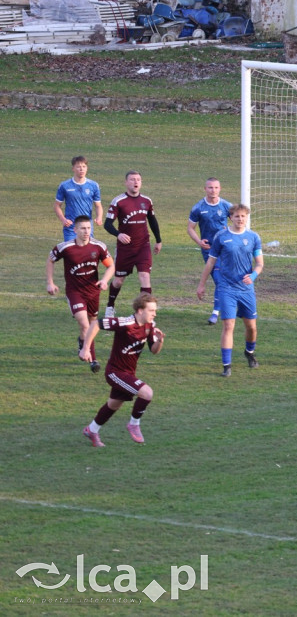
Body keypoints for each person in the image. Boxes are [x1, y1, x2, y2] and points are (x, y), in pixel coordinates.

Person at [79, 293, 164, 446]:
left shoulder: (150, 326)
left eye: (155, 310)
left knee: (114, 404)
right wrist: (86, 348)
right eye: (151, 310)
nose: (154, 313)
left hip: (128, 373)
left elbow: (154, 350)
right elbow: (96, 324)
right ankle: (134, 424)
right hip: (115, 372)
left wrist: (160, 341)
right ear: (140, 310)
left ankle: (92, 430)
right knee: (147, 393)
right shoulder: (125, 323)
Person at [197, 204, 263, 377]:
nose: (240, 219)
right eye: (237, 216)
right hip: (227, 288)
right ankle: (227, 366)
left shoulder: (253, 237)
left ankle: (249, 353)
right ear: (230, 218)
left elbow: (260, 263)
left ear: (247, 218)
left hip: (246, 289)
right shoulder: (222, 237)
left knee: (251, 327)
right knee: (228, 325)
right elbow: (210, 263)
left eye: (243, 216)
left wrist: (253, 276)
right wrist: (202, 284)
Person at [46, 215, 115, 373]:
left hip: (93, 292)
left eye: (89, 228)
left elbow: (111, 266)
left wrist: (104, 280)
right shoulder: (65, 247)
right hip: (75, 292)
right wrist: (50, 282)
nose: (86, 231)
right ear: (75, 229)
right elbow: (50, 260)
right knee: (86, 325)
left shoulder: (99, 247)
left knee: (91, 325)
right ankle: (93, 359)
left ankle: (82, 343)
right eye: (83, 228)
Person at [103, 170, 161, 318]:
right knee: (118, 281)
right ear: (126, 182)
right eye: (132, 179)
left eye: (138, 180)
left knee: (144, 276)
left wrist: (158, 240)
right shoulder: (118, 202)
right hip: (125, 249)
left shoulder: (146, 201)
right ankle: (110, 306)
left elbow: (152, 221)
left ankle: (146, 313)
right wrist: (119, 234)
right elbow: (107, 224)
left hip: (143, 246)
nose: (135, 182)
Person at [187, 177, 232, 325]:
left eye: (216, 188)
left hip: (225, 248)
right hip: (209, 250)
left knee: (223, 281)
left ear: (220, 189)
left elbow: (239, 221)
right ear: (205, 189)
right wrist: (199, 242)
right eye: (210, 188)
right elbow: (190, 228)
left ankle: (217, 311)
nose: (213, 190)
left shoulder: (226, 206)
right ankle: (217, 311)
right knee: (219, 280)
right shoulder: (198, 208)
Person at [54, 155, 102, 241]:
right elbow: (57, 205)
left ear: (87, 168)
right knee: (71, 252)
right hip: (71, 226)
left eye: (84, 166)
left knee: (87, 252)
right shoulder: (65, 185)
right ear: (73, 168)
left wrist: (99, 217)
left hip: (87, 226)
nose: (81, 169)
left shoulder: (94, 185)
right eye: (78, 167)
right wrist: (63, 220)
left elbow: (98, 205)